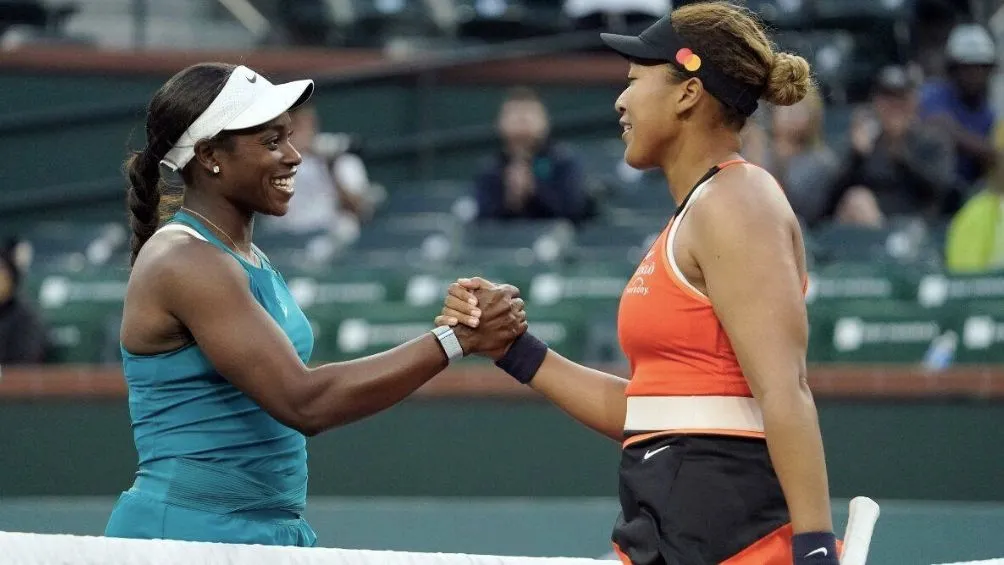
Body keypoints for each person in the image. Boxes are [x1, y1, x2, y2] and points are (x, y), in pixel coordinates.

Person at [439, 4, 839, 564]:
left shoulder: (737, 201)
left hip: (736, 538)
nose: (620, 101)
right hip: (667, 527)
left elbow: (786, 389)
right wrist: (514, 350)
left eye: (634, 80)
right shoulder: (700, 211)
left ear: (687, 93)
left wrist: (816, 549)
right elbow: (647, 412)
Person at [104, 62, 527, 547]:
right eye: (270, 142)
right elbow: (305, 401)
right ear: (209, 155)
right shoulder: (185, 259)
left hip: (261, 532)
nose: (293, 156)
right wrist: (456, 339)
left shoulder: (244, 256)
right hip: (183, 536)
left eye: (289, 137)